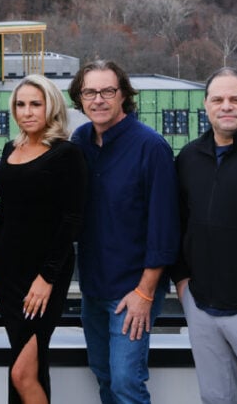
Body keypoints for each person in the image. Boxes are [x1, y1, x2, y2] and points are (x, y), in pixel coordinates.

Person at [68, 60, 179, 404]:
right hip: (94, 286)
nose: (98, 99)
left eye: (107, 91)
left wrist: (145, 294)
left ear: (124, 95)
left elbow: (164, 228)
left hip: (133, 290)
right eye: (90, 92)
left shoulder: (151, 146)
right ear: (80, 98)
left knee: (127, 383)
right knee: (103, 375)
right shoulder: (81, 140)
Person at [171, 68, 237, 404]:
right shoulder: (189, 157)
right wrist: (182, 282)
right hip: (203, 311)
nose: (226, 106)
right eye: (218, 99)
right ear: (206, 105)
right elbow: (178, 223)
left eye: (235, 99)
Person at [0, 75, 87, 403]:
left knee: (22, 372)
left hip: (42, 277)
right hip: (9, 276)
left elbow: (71, 219)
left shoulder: (66, 153)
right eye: (20, 104)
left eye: (35, 104)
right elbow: (6, 214)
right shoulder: (10, 148)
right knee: (28, 365)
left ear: (51, 107)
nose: (26, 111)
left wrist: (46, 278)